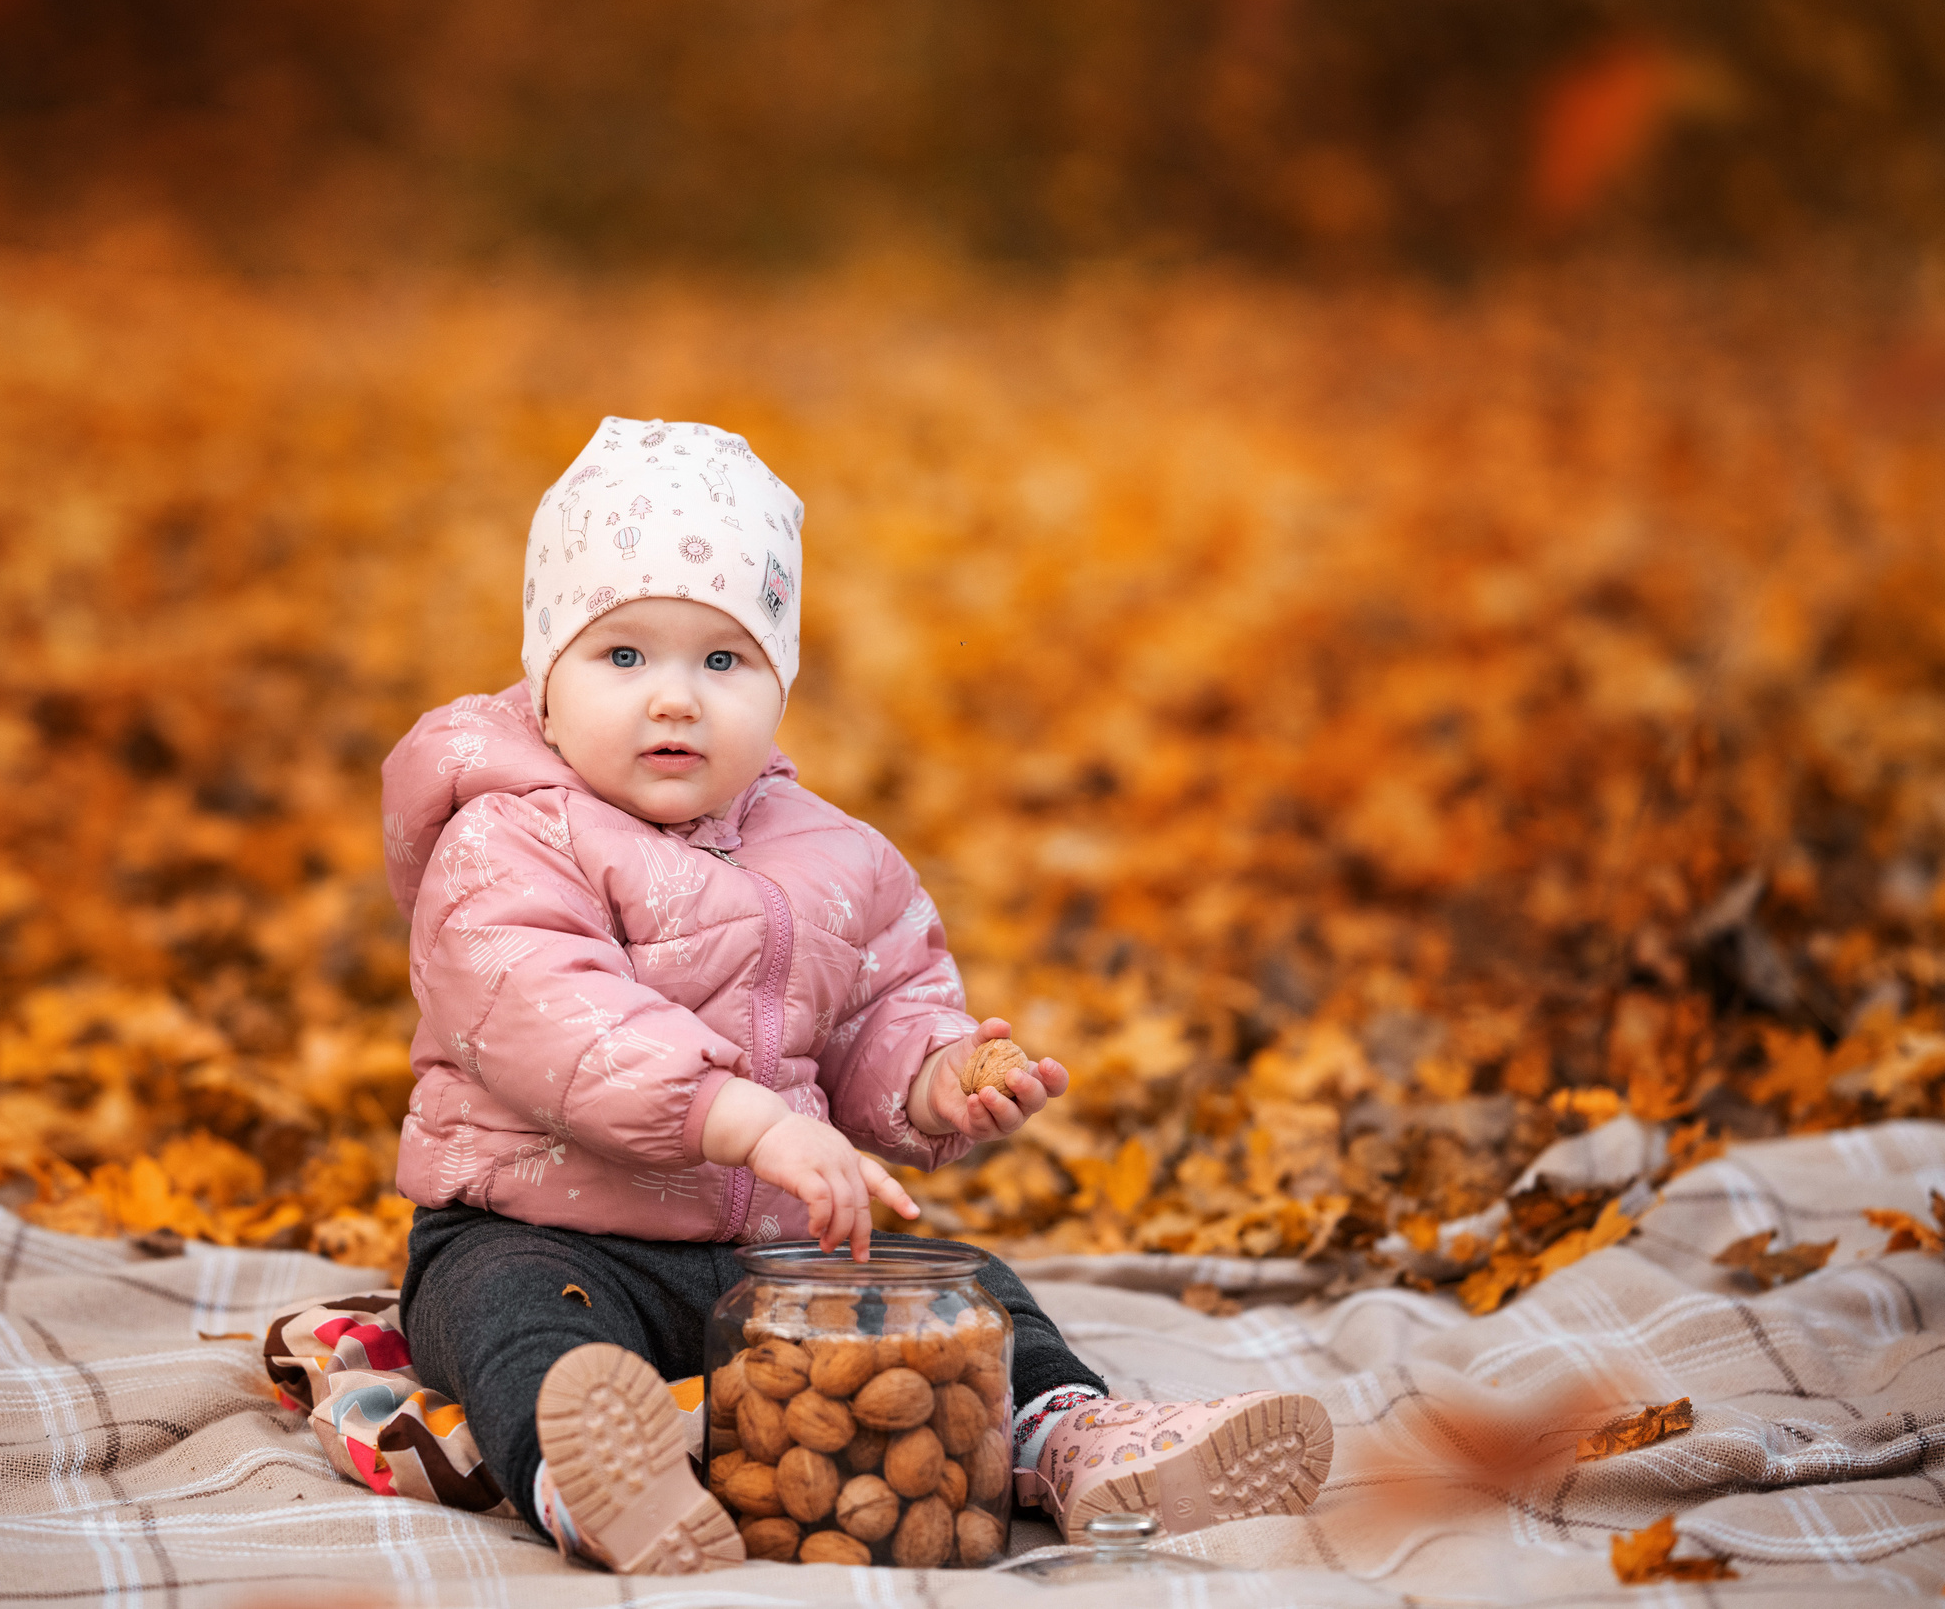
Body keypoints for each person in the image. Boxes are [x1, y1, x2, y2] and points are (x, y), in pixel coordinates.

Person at [380, 418, 1331, 1572]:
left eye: (722, 661)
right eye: (622, 656)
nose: (673, 700)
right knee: (516, 1321)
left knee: (968, 1288)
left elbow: (883, 1009)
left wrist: (931, 1084)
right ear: (544, 675)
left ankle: (1072, 1439)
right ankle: (593, 1482)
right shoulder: (507, 836)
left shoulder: (835, 856)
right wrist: (748, 1123)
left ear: (780, 682)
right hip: (543, 1227)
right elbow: (552, 1016)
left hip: (774, 1255)